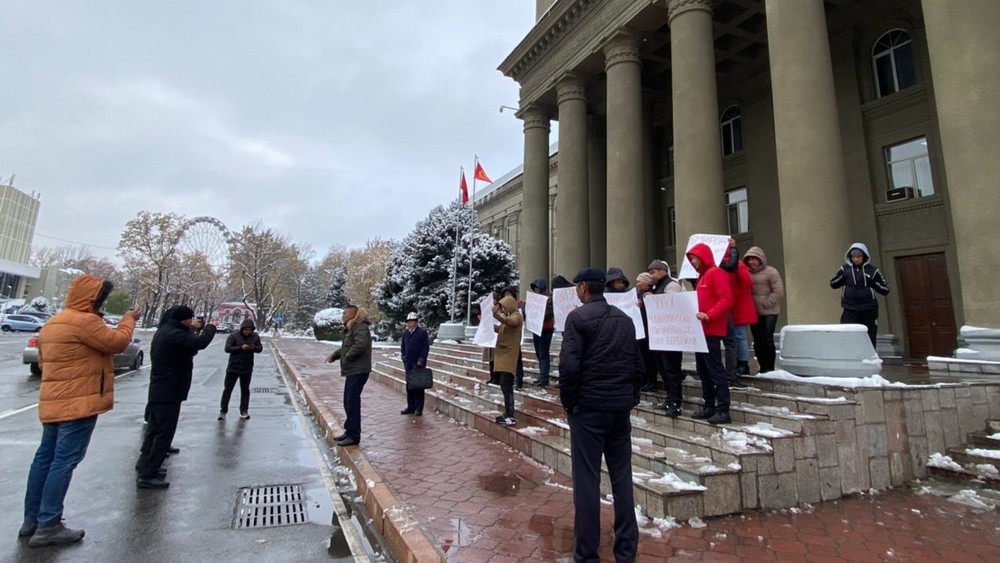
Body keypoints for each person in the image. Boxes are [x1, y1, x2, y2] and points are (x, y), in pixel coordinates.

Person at [21, 275, 140, 547]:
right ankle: (49, 524)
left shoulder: (53, 323)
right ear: (92, 299)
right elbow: (117, 342)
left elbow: (41, 363)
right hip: (78, 403)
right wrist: (129, 319)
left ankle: (32, 519)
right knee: (64, 461)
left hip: (53, 401)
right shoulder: (85, 321)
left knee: (44, 459)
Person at [559, 267, 643, 563]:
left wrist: (570, 404)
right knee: (622, 480)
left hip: (590, 410)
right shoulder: (625, 319)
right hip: (619, 410)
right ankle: (626, 552)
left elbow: (569, 368)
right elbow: (638, 367)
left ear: (583, 288)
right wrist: (630, 398)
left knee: (587, 482)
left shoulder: (577, 318)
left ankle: (586, 554)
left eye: (577, 287)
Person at [136, 306, 217, 489]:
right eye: (191, 319)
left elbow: (188, 346)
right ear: (185, 319)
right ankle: (148, 475)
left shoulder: (167, 331)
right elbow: (198, 344)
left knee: (154, 430)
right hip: (169, 390)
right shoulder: (174, 334)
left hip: (162, 389)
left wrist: (194, 329)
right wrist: (210, 327)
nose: (192, 321)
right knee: (163, 433)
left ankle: (145, 465)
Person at [686, 244, 735, 425]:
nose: (692, 261)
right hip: (701, 329)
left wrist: (710, 315)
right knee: (703, 370)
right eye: (691, 258)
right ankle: (709, 405)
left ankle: (723, 409)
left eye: (694, 257)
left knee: (714, 369)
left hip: (711, 329)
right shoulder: (702, 277)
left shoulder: (716, 273)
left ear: (703, 256)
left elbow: (727, 298)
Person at [325, 305, 372, 447]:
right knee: (348, 401)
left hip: (358, 370)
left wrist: (348, 356)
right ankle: (349, 430)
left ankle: (354, 435)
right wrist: (335, 355)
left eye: (345, 313)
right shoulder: (352, 327)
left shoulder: (360, 327)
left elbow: (360, 345)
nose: (343, 316)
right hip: (353, 370)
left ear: (353, 314)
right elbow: (347, 346)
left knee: (352, 402)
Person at [830, 242, 890, 348]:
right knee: (848, 334)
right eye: (853, 257)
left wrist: (872, 282)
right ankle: (849, 357)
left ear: (864, 256)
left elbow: (885, 289)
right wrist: (843, 277)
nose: (856, 259)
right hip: (850, 309)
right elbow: (833, 284)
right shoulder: (845, 269)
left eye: (858, 256)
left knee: (869, 335)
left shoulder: (873, 271)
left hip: (869, 309)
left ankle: (870, 359)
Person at [647, 259, 685, 417]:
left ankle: (676, 402)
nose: (651, 275)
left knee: (672, 370)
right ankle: (670, 399)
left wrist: (652, 298)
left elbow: (671, 304)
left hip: (672, 336)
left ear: (663, 271)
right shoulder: (658, 287)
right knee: (663, 369)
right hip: (661, 335)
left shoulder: (672, 285)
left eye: (653, 272)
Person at [719, 242, 758, 385]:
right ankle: (738, 363)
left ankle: (743, 363)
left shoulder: (738, 265)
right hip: (731, 305)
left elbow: (746, 282)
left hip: (738, 305)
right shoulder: (722, 265)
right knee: (735, 337)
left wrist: (732, 294)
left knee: (739, 336)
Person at [743, 247, 785, 373]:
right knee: (757, 340)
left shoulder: (771, 272)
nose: (752, 262)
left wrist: (766, 303)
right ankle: (762, 367)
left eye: (754, 259)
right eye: (749, 259)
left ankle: (770, 367)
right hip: (753, 311)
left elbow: (778, 291)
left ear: (760, 260)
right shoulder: (746, 273)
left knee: (767, 338)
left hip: (769, 312)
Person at [218, 318, 263, 421]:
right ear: (242, 329)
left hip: (247, 367)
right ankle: (223, 410)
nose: (247, 332)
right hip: (233, 367)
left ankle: (244, 410)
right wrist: (240, 347)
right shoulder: (234, 336)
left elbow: (259, 348)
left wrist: (253, 348)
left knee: (245, 390)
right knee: (228, 390)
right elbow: (227, 348)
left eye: (250, 330)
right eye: (246, 329)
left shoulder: (255, 337)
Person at [492, 295, 523, 426]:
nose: (503, 310)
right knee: (504, 385)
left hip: (509, 356)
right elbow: (500, 328)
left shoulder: (516, 316)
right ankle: (507, 412)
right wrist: (487, 323)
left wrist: (497, 314)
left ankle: (510, 414)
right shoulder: (508, 318)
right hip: (503, 355)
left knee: (507, 385)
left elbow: (509, 322)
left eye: (504, 307)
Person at [400, 312, 430, 416]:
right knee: (410, 386)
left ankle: (419, 408)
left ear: (416, 322)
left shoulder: (422, 333)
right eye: (408, 322)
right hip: (408, 363)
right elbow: (403, 347)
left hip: (418, 364)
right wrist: (403, 356)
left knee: (419, 386)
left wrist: (421, 359)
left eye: (412, 322)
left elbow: (425, 348)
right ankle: (411, 406)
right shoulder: (405, 333)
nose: (410, 324)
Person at [528, 277, 555, 387]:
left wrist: (538, 316)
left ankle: (544, 377)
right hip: (536, 328)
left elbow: (550, 312)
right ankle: (542, 375)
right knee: (539, 353)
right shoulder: (536, 299)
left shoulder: (549, 298)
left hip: (546, 328)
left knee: (543, 353)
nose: (536, 290)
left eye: (538, 287)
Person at [635, 272, 659, 392]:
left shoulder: (653, 294)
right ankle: (646, 380)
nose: (637, 284)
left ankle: (652, 380)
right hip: (642, 330)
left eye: (640, 281)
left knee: (651, 358)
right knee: (644, 357)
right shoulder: (638, 295)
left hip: (652, 330)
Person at [500, 285, 526, 389]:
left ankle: (519, 380)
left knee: (517, 360)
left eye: (509, 294)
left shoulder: (516, 312)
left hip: (514, 340)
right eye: (505, 295)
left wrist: (497, 316)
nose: (507, 297)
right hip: (507, 340)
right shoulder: (504, 310)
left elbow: (510, 321)